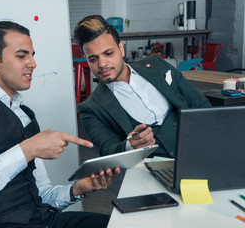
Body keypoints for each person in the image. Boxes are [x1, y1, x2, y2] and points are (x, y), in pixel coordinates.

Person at [0, 21, 120, 228]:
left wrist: (78, 189)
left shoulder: (23, 115)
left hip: (41, 221)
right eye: (21, 56)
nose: (32, 63)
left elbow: (41, 195)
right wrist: (27, 150)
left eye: (32, 55)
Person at [72, 15, 211, 158]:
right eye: (93, 59)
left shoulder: (156, 64)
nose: (102, 64)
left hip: (199, 148)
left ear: (121, 48)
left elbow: (200, 105)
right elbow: (108, 151)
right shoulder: (90, 109)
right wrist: (130, 145)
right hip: (151, 171)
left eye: (108, 53)